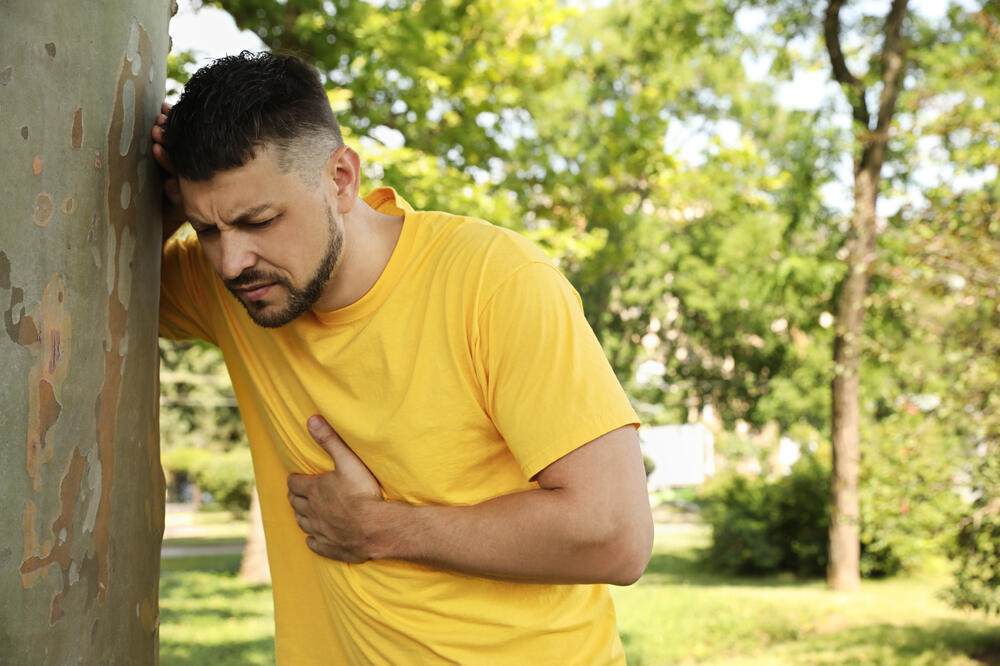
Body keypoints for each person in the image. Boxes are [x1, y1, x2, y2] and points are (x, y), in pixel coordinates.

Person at [153, 50, 652, 665]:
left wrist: (377, 529)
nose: (231, 262)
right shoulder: (239, 287)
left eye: (260, 219)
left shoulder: (496, 282)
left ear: (340, 179)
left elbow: (615, 536)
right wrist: (159, 209)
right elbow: (80, 280)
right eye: (206, 230)